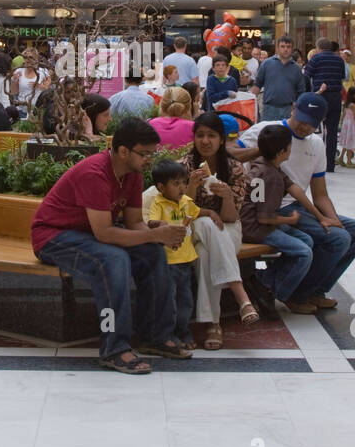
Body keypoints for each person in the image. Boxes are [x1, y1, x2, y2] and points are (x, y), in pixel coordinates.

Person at [31, 118, 192, 374]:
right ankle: (114, 348)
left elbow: (134, 224)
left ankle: (156, 336)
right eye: (145, 153)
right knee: (113, 260)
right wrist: (153, 236)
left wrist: (159, 234)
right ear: (123, 151)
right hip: (54, 237)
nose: (149, 159)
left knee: (152, 253)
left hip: (89, 237)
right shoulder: (94, 173)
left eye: (152, 153)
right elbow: (105, 233)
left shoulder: (132, 174)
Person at [231, 93, 355, 305]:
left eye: (311, 124)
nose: (304, 127)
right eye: (302, 120)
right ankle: (297, 293)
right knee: (338, 239)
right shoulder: (267, 131)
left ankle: (315, 290)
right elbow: (230, 152)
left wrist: (331, 219)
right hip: (271, 210)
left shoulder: (315, 145)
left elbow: (319, 194)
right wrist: (264, 149)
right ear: (294, 108)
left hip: (296, 207)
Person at [182, 111, 259, 349]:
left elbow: (229, 217)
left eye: (212, 136)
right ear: (193, 138)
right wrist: (192, 188)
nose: (205, 141)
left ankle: (212, 322)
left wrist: (226, 197)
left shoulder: (235, 169)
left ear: (222, 139)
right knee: (204, 223)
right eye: (200, 135)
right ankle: (240, 295)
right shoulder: (185, 166)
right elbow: (181, 213)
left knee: (206, 253)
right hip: (191, 228)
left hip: (227, 230)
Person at [239, 124, 328, 314]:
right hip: (255, 229)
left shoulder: (263, 164)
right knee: (304, 252)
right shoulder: (270, 176)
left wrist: (320, 216)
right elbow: (264, 218)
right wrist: (290, 221)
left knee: (306, 240)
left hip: (254, 223)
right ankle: (272, 290)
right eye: (289, 146)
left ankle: (263, 278)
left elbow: (293, 188)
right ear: (282, 151)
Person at [147, 160, 204, 351]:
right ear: (161, 187)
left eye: (183, 183)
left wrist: (212, 213)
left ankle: (183, 330)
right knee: (168, 301)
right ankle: (168, 333)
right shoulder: (159, 203)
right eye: (176, 184)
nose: (182, 188)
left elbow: (197, 212)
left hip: (185, 260)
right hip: (168, 262)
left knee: (185, 300)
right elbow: (152, 222)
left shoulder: (186, 202)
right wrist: (160, 225)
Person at [305, 37, 347, 171]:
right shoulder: (339, 60)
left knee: (313, 129)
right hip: (335, 97)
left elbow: (306, 75)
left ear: (318, 48)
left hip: (320, 96)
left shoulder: (316, 59)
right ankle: (330, 164)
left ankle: (314, 162)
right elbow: (342, 76)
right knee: (332, 132)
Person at [253, 36, 307, 123]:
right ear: (277, 48)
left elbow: (301, 91)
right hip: (269, 109)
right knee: (269, 135)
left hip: (289, 109)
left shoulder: (296, 68)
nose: (286, 49)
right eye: (282, 46)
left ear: (292, 49)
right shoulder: (267, 64)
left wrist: (297, 107)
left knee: (287, 135)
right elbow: (257, 84)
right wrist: (250, 102)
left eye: (288, 47)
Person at [12, 47, 50, 118]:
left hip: (37, 111)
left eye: (31, 57)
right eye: (26, 58)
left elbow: (48, 91)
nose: (28, 60)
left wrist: (39, 86)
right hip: (22, 111)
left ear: (36, 59)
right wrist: (14, 81)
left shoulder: (43, 72)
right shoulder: (18, 71)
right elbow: (14, 92)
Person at [339, 86, 355, 167]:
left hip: (347, 125)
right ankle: (349, 161)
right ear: (354, 96)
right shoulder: (354, 105)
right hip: (352, 125)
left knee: (347, 142)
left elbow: (345, 115)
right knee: (349, 142)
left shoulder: (347, 104)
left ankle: (341, 157)